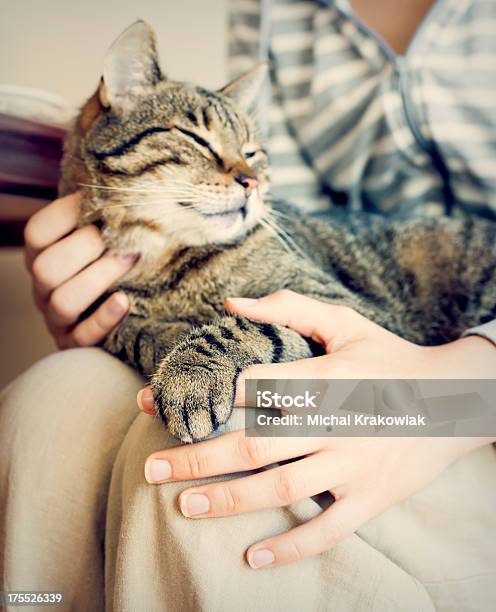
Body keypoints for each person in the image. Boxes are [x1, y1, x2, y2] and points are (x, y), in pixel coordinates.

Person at [1, 1, 496, 610]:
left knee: (206, 438)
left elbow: (336, 334)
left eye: (250, 156)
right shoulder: (273, 13)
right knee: (51, 396)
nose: (243, 177)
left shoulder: (260, 253)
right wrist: (101, 321)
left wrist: (471, 390)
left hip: (460, 381)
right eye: (202, 144)